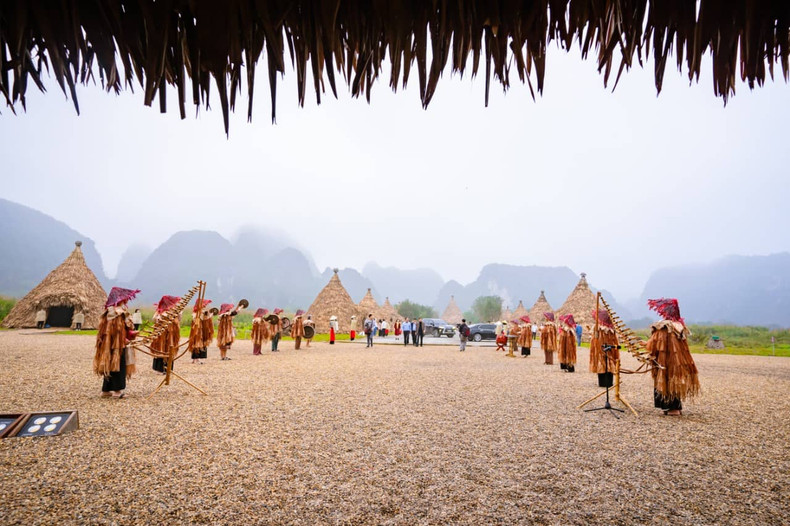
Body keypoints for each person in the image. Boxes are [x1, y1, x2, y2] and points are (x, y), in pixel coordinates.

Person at [644, 298, 700, 416]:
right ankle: (676, 408)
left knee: (667, 381)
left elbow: (654, 344)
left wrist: (646, 344)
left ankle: (671, 409)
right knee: (675, 380)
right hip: (679, 362)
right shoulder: (679, 327)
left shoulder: (664, 327)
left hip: (666, 361)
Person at [93, 287, 139, 398]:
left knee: (109, 365)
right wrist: (125, 338)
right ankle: (118, 391)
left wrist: (131, 333)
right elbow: (117, 330)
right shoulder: (117, 312)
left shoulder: (109, 311)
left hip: (109, 345)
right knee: (119, 365)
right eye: (125, 298)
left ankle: (106, 390)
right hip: (117, 345)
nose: (127, 300)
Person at [589, 309, 619, 387]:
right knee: (603, 362)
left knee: (608, 361)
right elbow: (595, 339)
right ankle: (605, 380)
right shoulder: (604, 329)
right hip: (601, 351)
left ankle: (606, 380)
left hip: (607, 350)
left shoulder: (606, 329)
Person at [151, 295, 181, 374]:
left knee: (169, 349)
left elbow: (179, 320)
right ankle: (160, 369)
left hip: (170, 334)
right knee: (161, 348)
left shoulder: (174, 311)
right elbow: (154, 319)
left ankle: (167, 369)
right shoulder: (160, 311)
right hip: (161, 335)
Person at [189, 299, 212, 364]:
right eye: (204, 305)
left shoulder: (203, 312)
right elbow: (195, 320)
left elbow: (205, 319)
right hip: (197, 331)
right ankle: (195, 359)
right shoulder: (195, 313)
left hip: (202, 331)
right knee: (196, 343)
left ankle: (197, 359)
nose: (205, 307)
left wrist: (209, 315)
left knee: (201, 343)